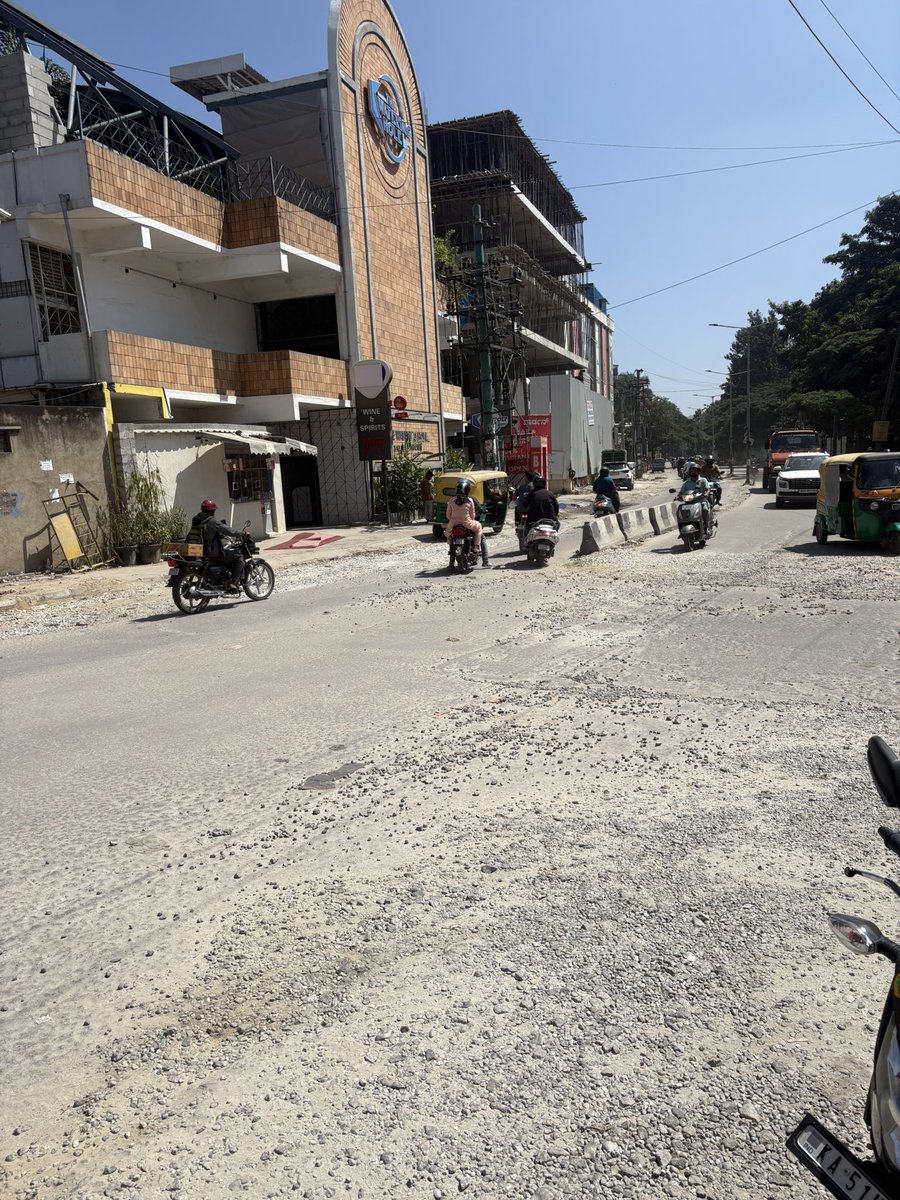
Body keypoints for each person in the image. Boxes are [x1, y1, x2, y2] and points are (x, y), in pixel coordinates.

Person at [189, 499, 245, 591]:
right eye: (214, 510)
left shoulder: (196, 520)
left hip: (199, 551)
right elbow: (228, 530)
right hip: (210, 553)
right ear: (212, 510)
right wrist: (242, 533)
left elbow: (207, 533)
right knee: (238, 557)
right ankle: (233, 583)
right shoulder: (211, 521)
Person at [443, 478, 489, 567]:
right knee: (479, 529)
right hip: (467, 523)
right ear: (468, 489)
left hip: (453, 524)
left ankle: (451, 563)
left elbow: (448, 515)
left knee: (450, 537)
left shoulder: (451, 500)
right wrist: (470, 520)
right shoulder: (470, 500)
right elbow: (473, 515)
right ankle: (477, 547)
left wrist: (453, 520)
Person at [677, 463, 712, 534]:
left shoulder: (703, 480)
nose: (693, 472)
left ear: (698, 471)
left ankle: (707, 527)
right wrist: (678, 497)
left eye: (695, 470)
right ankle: (681, 528)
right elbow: (681, 493)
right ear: (689, 472)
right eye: (692, 471)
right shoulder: (686, 483)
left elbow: (708, 488)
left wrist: (706, 493)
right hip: (689, 502)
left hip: (701, 501)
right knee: (680, 511)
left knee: (705, 509)